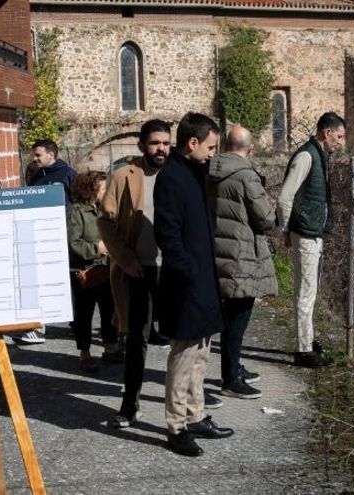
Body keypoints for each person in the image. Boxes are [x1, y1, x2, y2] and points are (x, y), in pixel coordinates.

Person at [154, 112, 234, 457]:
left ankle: (196, 414)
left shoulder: (194, 172)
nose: (213, 153)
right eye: (211, 146)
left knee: (202, 352)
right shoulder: (172, 178)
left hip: (201, 279)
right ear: (192, 143)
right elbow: (168, 234)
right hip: (186, 283)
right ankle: (176, 427)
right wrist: (188, 271)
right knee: (184, 355)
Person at [97, 119, 172, 428]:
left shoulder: (179, 174)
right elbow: (105, 222)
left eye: (166, 143)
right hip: (139, 269)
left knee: (183, 338)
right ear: (142, 145)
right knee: (136, 338)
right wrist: (125, 259)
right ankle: (130, 402)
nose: (162, 149)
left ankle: (187, 403)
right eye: (155, 143)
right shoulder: (123, 176)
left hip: (173, 270)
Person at [207, 125, 277, 399]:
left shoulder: (207, 169)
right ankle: (230, 377)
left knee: (226, 315)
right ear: (249, 149)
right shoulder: (246, 175)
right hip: (240, 254)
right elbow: (265, 217)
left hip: (213, 250)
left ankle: (232, 366)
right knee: (239, 316)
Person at [276, 112, 346, 368]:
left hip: (312, 232)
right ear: (327, 133)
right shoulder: (307, 156)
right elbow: (285, 196)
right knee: (305, 293)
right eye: (339, 136)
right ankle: (303, 350)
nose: (340, 142)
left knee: (309, 291)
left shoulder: (320, 156)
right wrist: (285, 230)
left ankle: (307, 340)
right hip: (305, 233)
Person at [14, 139, 78, 345]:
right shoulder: (36, 176)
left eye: (38, 155)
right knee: (41, 282)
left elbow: (79, 204)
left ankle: (77, 324)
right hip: (41, 237)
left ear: (51, 154)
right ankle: (37, 329)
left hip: (65, 237)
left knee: (70, 282)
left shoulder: (68, 175)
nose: (34, 159)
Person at [67, 171, 121, 373]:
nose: (107, 191)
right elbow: (73, 242)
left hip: (106, 269)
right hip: (85, 272)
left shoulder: (104, 209)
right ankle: (84, 353)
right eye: (103, 188)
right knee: (84, 315)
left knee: (109, 310)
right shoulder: (76, 211)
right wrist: (95, 248)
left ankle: (111, 347)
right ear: (90, 190)